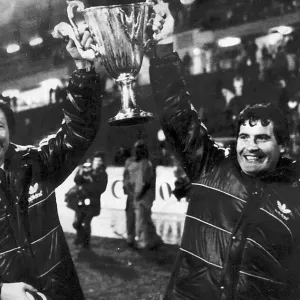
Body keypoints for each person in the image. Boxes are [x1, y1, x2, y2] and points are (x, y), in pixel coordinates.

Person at [148, 3, 300, 299]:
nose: (250, 147)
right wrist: (164, 47)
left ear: (282, 145)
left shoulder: (295, 195)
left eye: (262, 138)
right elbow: (176, 112)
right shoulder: (210, 167)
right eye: (244, 137)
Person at [0, 27, 103, 299]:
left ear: (9, 129)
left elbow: (78, 132)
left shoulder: (34, 163)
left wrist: (83, 70)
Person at [123, 140, 163, 250]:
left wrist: (140, 195)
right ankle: (131, 239)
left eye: (141, 148)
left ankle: (143, 242)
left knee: (142, 220)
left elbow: (147, 182)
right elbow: (125, 177)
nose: (138, 151)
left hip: (144, 196)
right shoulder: (129, 161)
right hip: (131, 194)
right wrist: (128, 190)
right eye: (136, 148)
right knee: (130, 217)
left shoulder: (147, 163)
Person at [67, 151, 108, 249]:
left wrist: (88, 182)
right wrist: (81, 173)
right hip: (81, 200)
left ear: (102, 162)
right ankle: (80, 237)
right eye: (96, 160)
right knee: (76, 223)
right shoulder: (86, 169)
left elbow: (101, 189)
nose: (98, 162)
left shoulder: (103, 174)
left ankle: (86, 244)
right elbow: (76, 180)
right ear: (93, 160)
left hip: (92, 202)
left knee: (86, 222)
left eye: (100, 161)